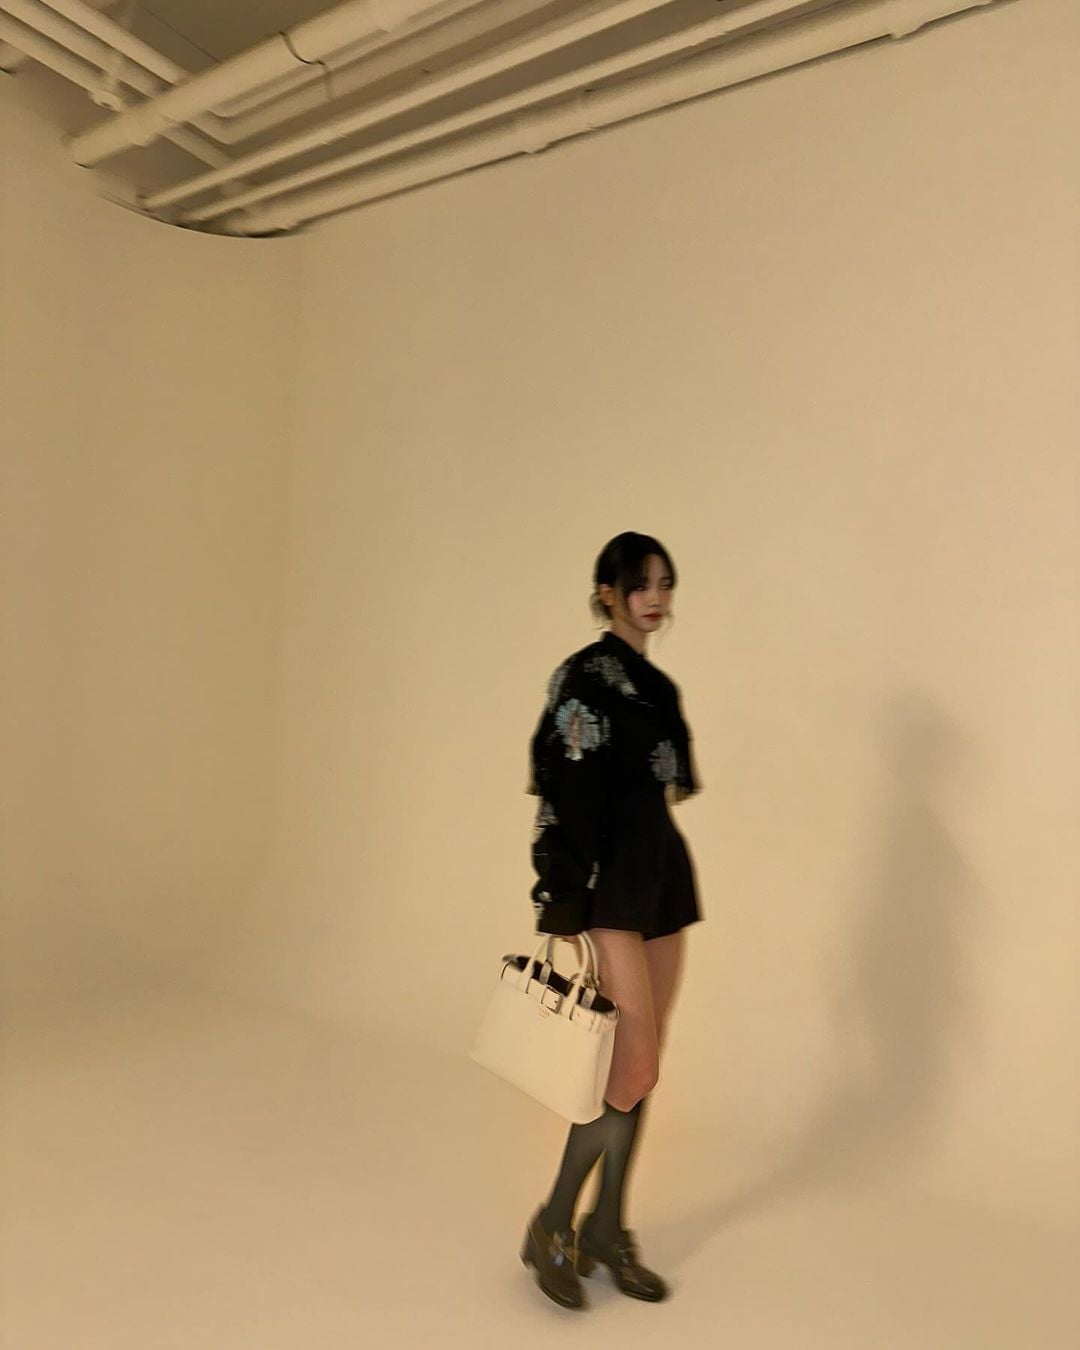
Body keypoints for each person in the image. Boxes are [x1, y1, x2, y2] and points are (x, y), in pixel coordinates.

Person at [519, 531, 703, 1309]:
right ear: (607, 592)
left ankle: (606, 1229)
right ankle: (553, 1224)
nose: (655, 598)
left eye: (664, 583)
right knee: (629, 1066)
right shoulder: (583, 677)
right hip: (606, 885)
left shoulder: (659, 688)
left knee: (643, 1060)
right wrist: (562, 899)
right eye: (640, 584)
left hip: (660, 877)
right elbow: (563, 792)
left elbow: (662, 792)